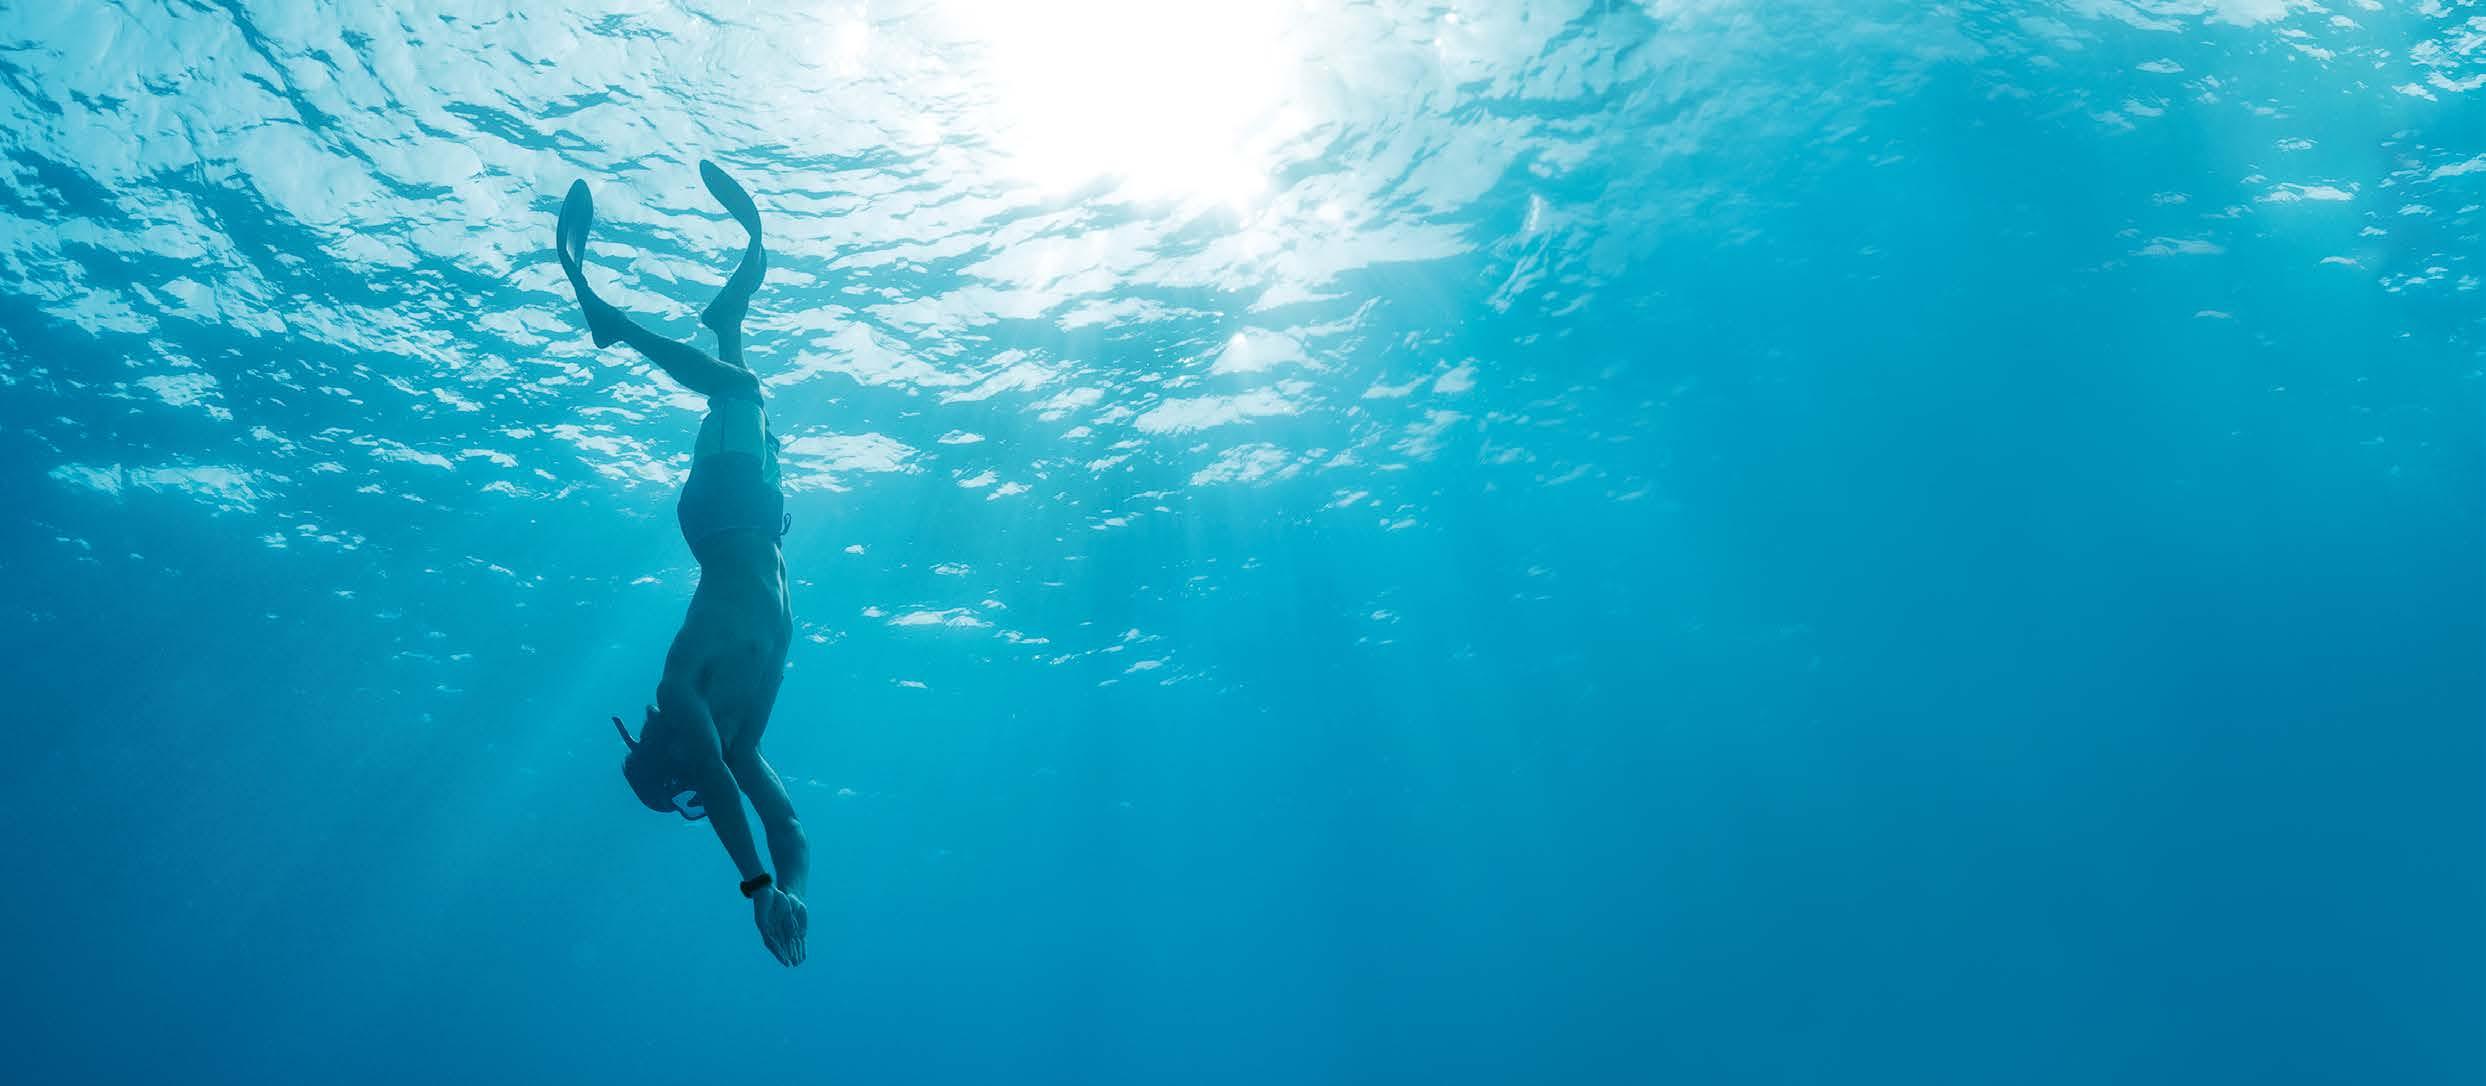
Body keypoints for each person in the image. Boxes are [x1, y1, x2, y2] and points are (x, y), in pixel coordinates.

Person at [557, 160, 808, 967]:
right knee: (744, 393)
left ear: (671, 755)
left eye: (688, 780)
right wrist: (789, 889)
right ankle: (728, 315)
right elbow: (787, 824)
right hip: (761, 518)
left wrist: (753, 885)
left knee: (740, 392)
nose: (704, 778)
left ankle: (613, 324)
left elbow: (724, 789)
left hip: (722, 515)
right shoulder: (743, 743)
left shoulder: (683, 693)